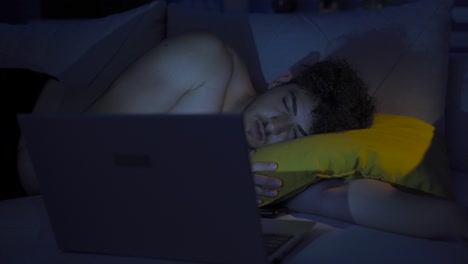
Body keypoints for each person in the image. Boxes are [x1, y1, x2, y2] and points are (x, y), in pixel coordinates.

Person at [26, 31, 468, 242]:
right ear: (281, 79)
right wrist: (208, 177)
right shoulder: (207, 62)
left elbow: (343, 200)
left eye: (292, 134)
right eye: (286, 107)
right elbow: (71, 162)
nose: (273, 129)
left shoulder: (265, 161)